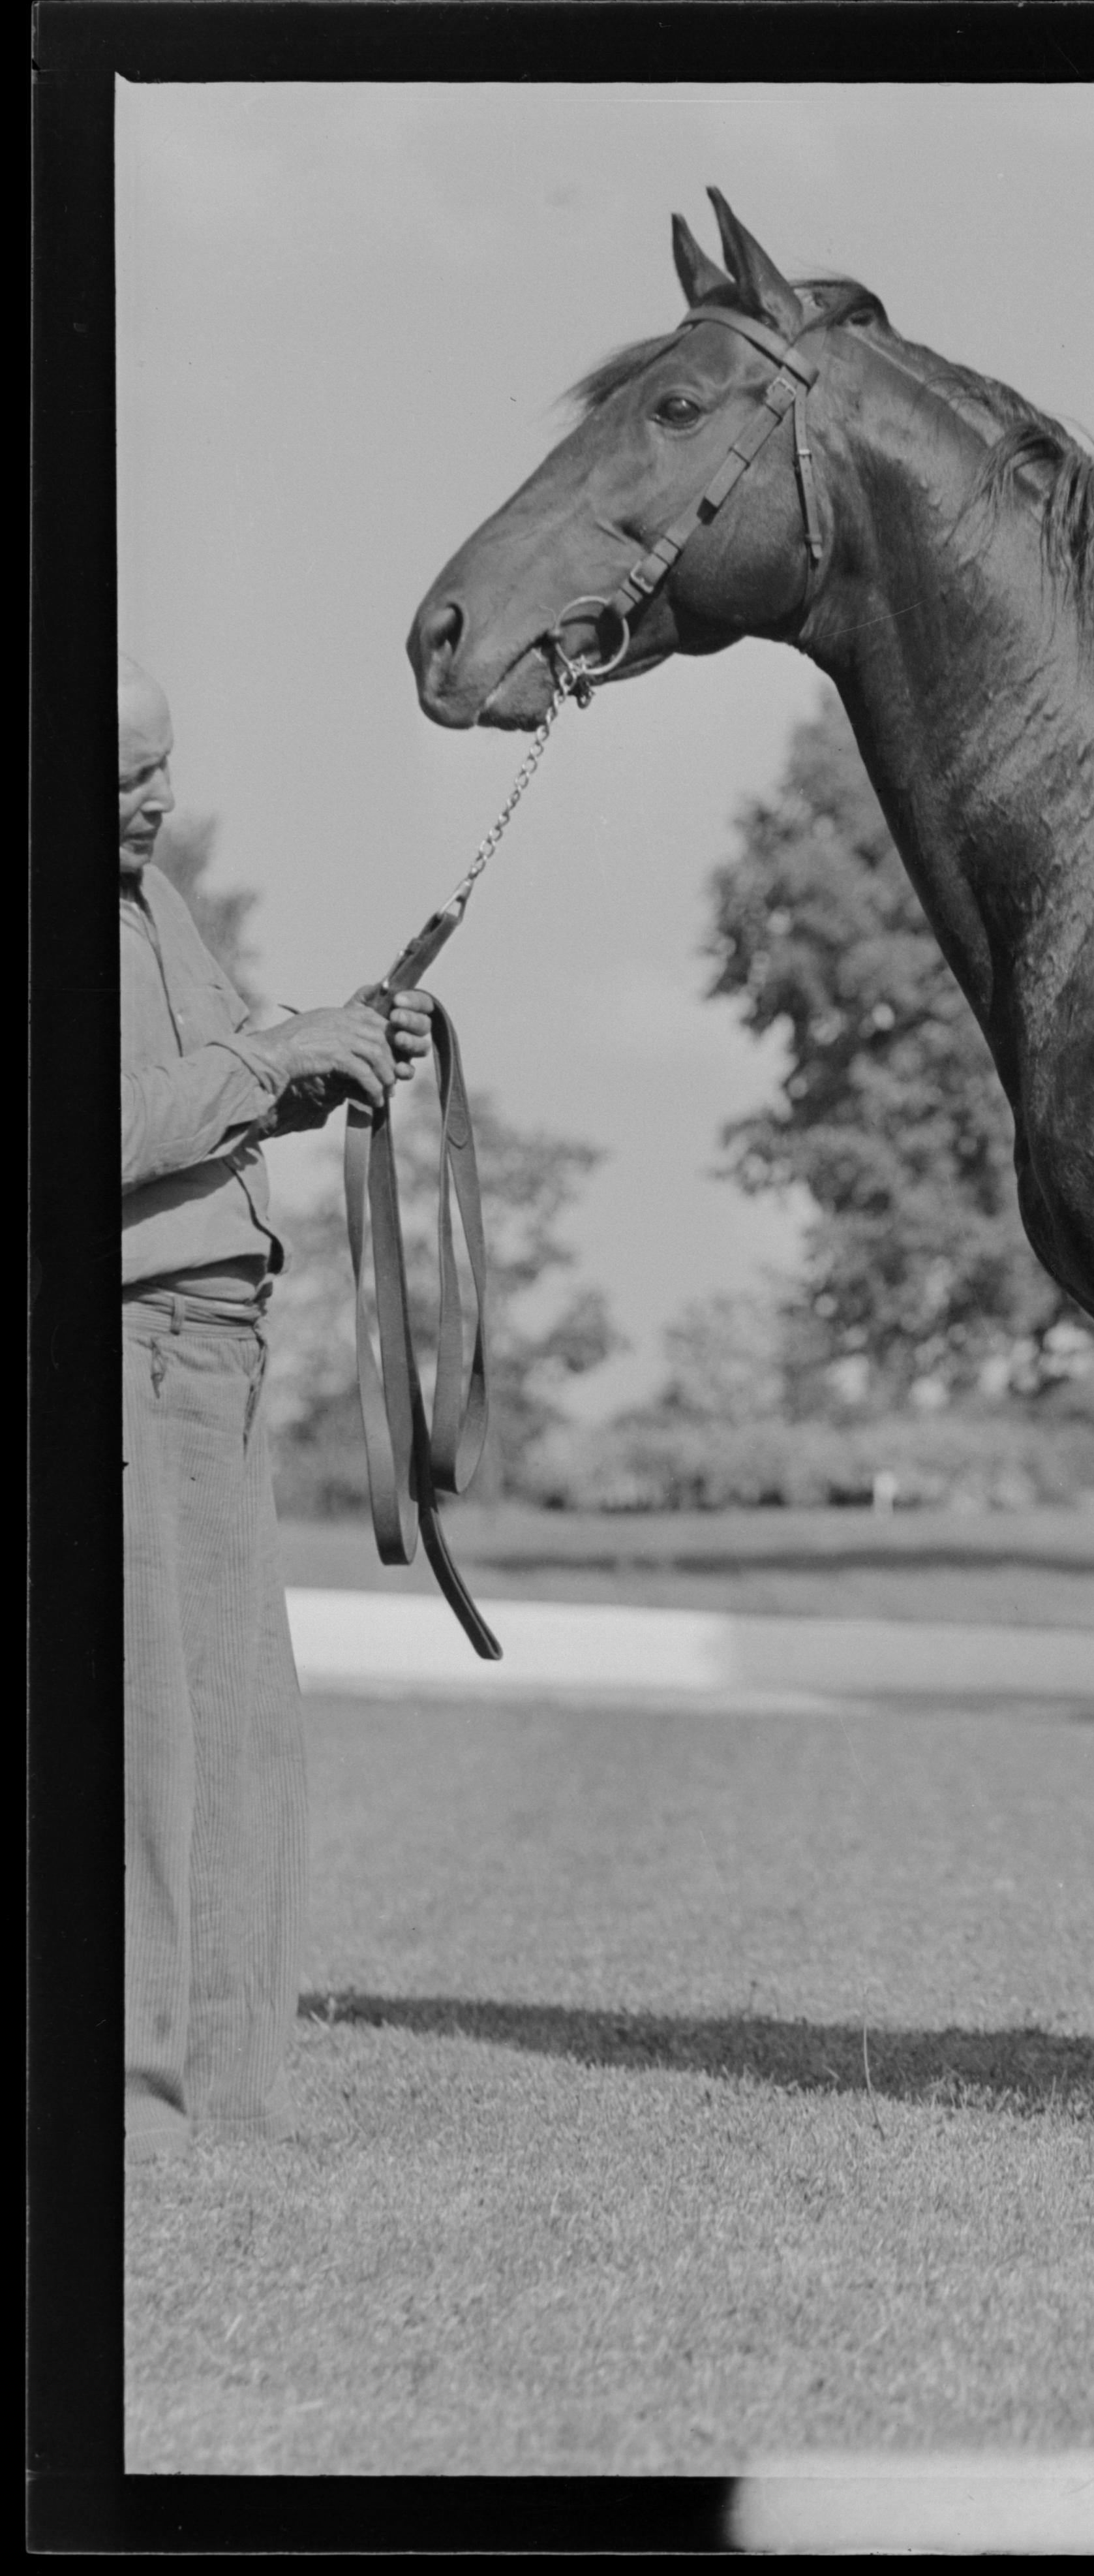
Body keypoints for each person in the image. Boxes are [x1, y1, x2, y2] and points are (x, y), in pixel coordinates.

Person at [119, 652, 435, 2164]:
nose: (155, 798)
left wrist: (342, 1052)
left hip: (219, 1354)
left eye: (162, 768)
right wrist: (273, 1054)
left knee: (246, 1743)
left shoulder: (159, 905)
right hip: (124, 1354)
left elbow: (219, 1090)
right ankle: (128, 2107)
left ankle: (233, 2102)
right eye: (121, 776)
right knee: (138, 1748)